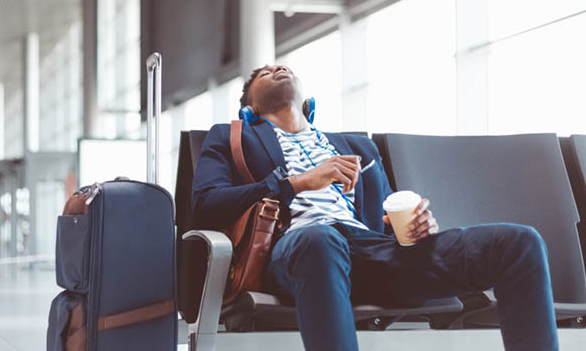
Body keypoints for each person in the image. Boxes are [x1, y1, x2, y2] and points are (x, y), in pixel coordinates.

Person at [193, 64, 558, 351]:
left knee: (519, 243)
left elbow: (385, 225)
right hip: (299, 248)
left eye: (284, 67)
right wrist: (297, 183)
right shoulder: (232, 137)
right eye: (264, 73)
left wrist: (416, 228)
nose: (277, 69)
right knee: (321, 240)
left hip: (373, 252)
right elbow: (206, 205)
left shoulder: (357, 147)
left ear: (308, 101)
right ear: (250, 108)